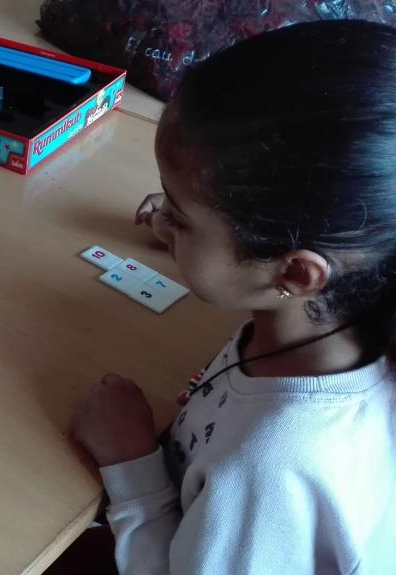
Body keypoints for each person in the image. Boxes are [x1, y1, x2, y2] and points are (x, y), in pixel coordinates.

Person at [72, 20, 396, 574]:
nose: (161, 218)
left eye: (179, 215)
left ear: (295, 272)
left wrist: (130, 465)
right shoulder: (341, 310)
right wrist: (192, 232)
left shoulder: (272, 469)